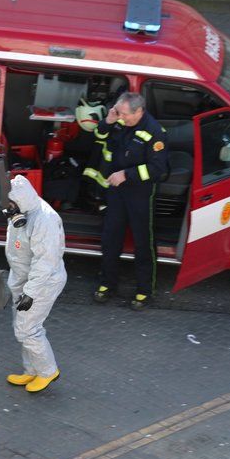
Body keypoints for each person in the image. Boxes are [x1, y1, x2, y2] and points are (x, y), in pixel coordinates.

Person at [89, 92, 169, 310]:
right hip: (116, 191)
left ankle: (144, 291)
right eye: (118, 112)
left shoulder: (154, 132)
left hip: (140, 193)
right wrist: (108, 121)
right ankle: (107, 284)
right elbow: (99, 137)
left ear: (139, 111)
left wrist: (127, 174)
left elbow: (157, 169)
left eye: (124, 114)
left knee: (143, 242)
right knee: (110, 237)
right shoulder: (118, 121)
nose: (121, 118)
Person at [4, 175, 67, 393]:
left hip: (42, 283)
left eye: (10, 206)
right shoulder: (21, 211)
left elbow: (45, 262)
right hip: (25, 279)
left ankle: (48, 371)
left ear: (20, 202)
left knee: (28, 329)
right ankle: (31, 370)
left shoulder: (44, 220)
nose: (7, 210)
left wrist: (30, 293)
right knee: (21, 325)